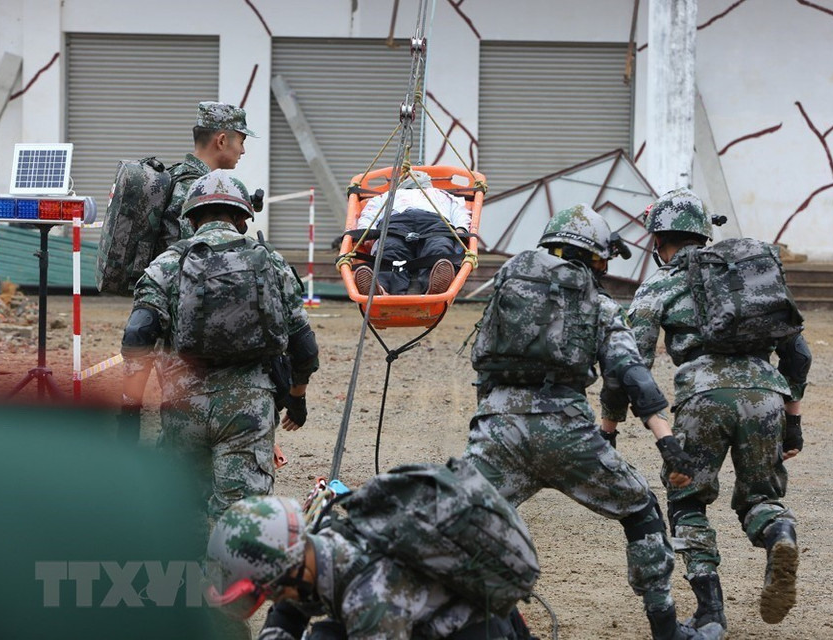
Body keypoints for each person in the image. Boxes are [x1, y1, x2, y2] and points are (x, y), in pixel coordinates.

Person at [462, 204, 724, 640]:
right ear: (595, 258)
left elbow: (482, 364)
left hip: (498, 429)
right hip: (569, 431)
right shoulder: (599, 304)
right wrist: (666, 439)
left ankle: (497, 623)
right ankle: (666, 629)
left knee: (465, 519)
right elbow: (631, 373)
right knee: (641, 510)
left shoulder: (509, 285)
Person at [627, 189, 811, 630]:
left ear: (658, 240)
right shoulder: (746, 278)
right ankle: (780, 536)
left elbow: (631, 360)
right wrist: (793, 423)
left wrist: (615, 419)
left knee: (687, 499)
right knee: (761, 497)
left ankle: (711, 611)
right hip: (764, 395)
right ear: (704, 235)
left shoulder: (660, 283)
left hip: (701, 397)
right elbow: (798, 354)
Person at [119, 170, 320, 524]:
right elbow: (304, 345)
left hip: (183, 409)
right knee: (242, 522)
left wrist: (130, 413)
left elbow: (138, 337)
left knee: (183, 519)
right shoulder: (270, 262)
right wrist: (297, 397)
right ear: (243, 219)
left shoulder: (167, 264)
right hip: (248, 411)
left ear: (192, 218)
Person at [206, 494, 537, 640]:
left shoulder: (369, 600)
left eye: (270, 590)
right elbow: (289, 611)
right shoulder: (321, 548)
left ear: (288, 571)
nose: (274, 597)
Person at [158, 100, 257, 251]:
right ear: (222, 141)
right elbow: (194, 258)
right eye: (241, 142)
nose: (243, 151)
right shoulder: (192, 189)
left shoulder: (176, 174)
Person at [352, 170, 470, 295]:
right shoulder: (388, 196)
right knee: (390, 249)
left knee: (439, 248)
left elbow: (459, 212)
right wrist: (367, 231)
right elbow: (370, 213)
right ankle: (382, 288)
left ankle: (435, 286)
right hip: (396, 223)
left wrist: (461, 228)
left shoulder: (442, 194)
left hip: (435, 223)